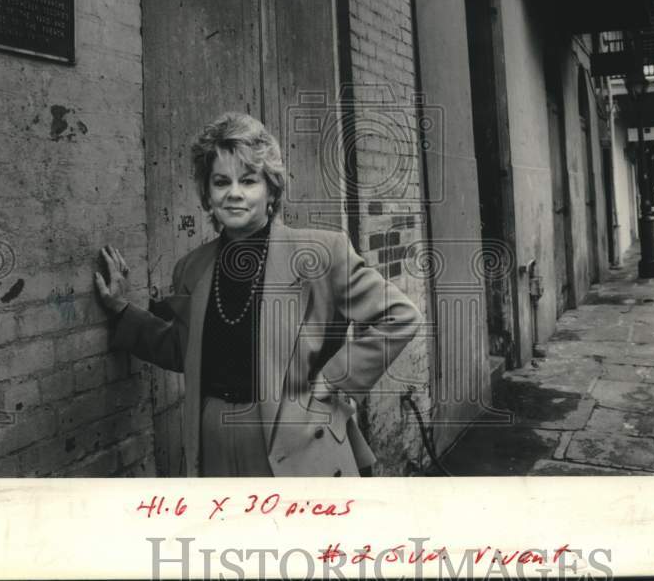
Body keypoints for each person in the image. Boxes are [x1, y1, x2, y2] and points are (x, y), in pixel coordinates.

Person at [94, 112, 422, 478]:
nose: (234, 193)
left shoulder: (321, 253)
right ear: (208, 194)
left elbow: (399, 315)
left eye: (248, 181)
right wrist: (121, 310)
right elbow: (184, 350)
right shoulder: (192, 268)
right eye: (221, 182)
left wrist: (334, 378)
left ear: (271, 191)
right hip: (213, 439)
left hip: (297, 440)